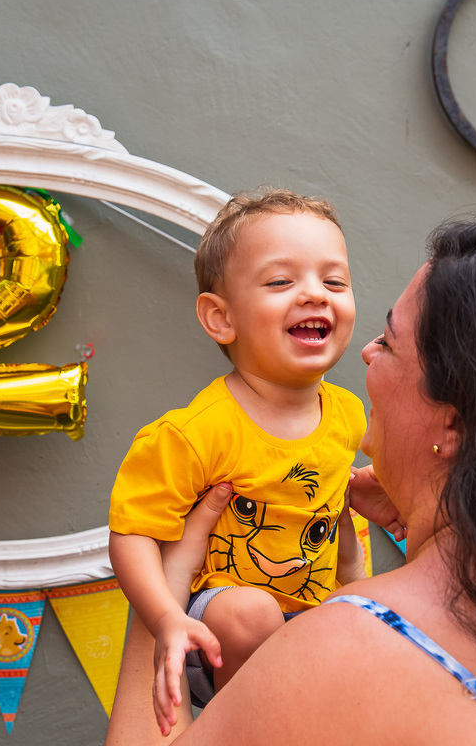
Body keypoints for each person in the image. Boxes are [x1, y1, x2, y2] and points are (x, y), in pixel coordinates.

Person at [107, 218, 476, 745]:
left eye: (388, 342)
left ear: (453, 420)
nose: (365, 352)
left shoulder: (351, 647)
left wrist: (170, 584)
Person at [108, 189, 404, 734]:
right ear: (221, 318)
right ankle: (241, 725)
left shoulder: (347, 414)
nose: (315, 294)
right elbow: (131, 534)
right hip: (212, 631)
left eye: (333, 281)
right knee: (253, 615)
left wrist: (364, 492)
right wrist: (165, 619)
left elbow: (329, 501)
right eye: (281, 281)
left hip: (306, 619)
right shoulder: (195, 432)